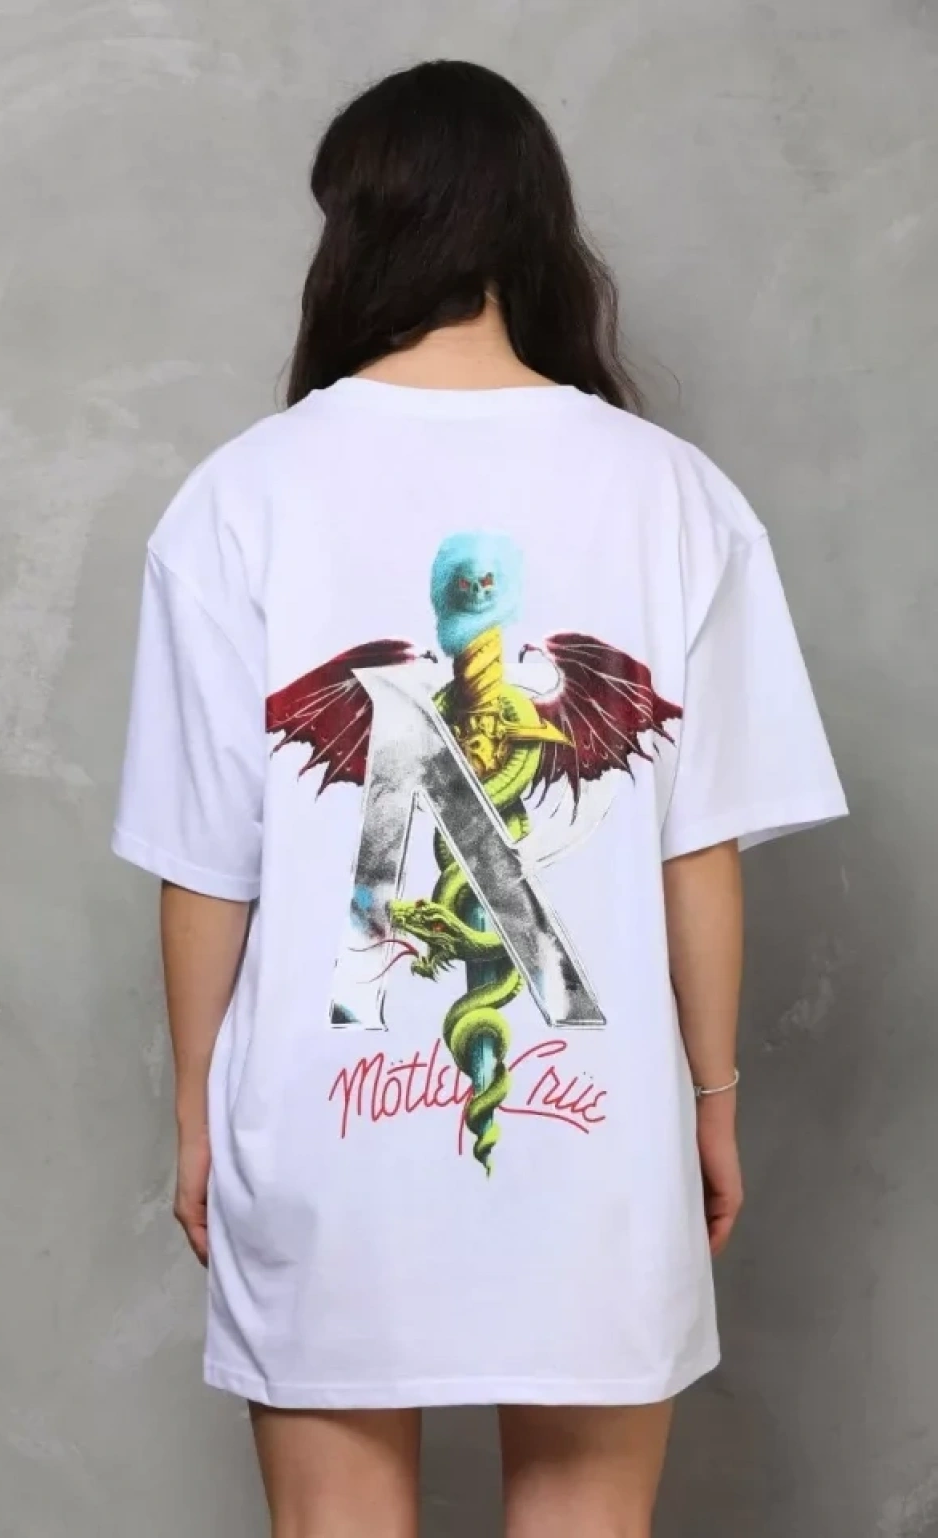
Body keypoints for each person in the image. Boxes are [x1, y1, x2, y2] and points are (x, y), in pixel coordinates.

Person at [112, 58, 847, 1538]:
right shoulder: (672, 493)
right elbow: (695, 850)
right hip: (602, 1131)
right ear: (533, 230)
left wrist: (196, 1113)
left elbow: (209, 862)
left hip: (318, 1124)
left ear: (355, 231)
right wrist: (709, 1100)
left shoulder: (240, 494)